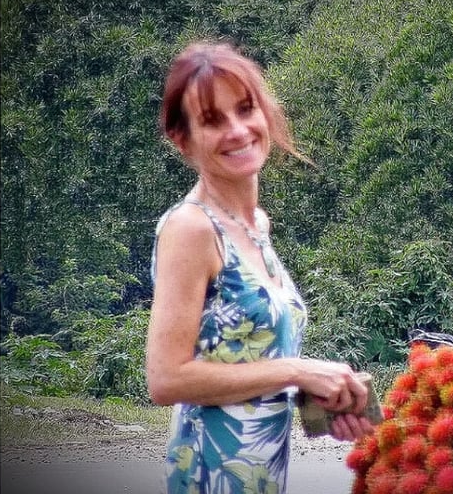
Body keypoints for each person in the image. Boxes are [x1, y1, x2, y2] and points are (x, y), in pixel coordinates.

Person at [146, 41, 375, 494]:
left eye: (245, 109)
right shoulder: (192, 228)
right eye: (213, 120)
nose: (237, 130)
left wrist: (323, 401)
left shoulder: (255, 226)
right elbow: (166, 379)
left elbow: (246, 365)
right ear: (182, 140)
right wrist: (296, 370)